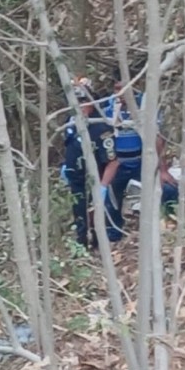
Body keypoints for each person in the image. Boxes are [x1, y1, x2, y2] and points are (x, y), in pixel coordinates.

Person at [99, 69, 179, 243]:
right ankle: (114, 234)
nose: (120, 93)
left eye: (124, 88)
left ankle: (170, 223)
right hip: (117, 163)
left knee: (169, 189)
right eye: (116, 88)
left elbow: (158, 138)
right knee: (109, 197)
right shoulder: (108, 107)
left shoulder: (146, 104)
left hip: (143, 161)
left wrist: (162, 169)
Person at [60, 77, 116, 249]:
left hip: (95, 180)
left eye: (83, 101)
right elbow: (69, 146)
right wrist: (65, 167)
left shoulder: (101, 127)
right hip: (75, 180)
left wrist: (103, 186)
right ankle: (81, 244)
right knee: (79, 216)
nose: (80, 106)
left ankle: (99, 246)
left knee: (96, 217)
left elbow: (113, 161)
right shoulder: (71, 121)